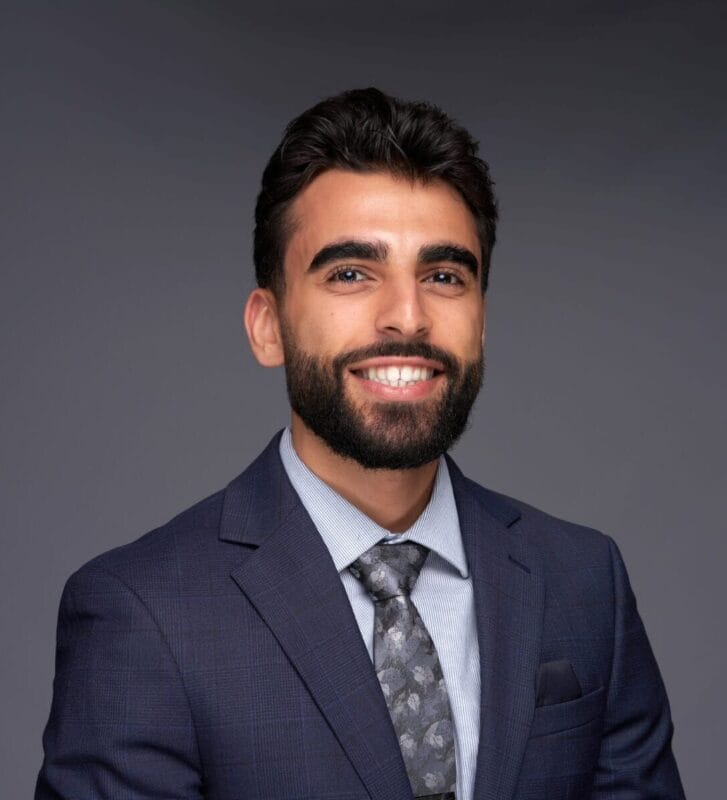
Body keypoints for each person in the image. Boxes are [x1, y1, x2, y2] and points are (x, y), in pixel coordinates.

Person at [35, 88, 685, 800]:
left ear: (481, 320)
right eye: (350, 274)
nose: (406, 317)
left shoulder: (584, 582)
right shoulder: (144, 613)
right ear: (267, 326)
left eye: (443, 276)